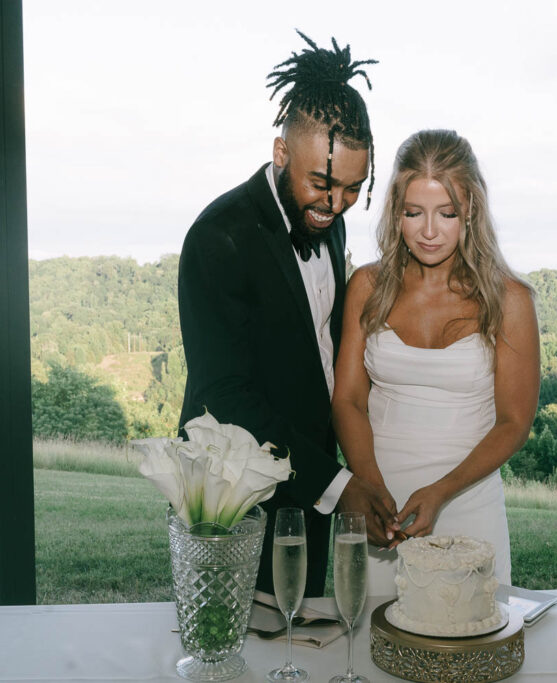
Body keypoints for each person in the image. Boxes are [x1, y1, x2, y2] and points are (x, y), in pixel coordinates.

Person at [177, 31, 398, 598]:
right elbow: (222, 395)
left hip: (317, 478)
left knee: (312, 642)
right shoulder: (217, 237)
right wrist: (334, 483)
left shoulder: (328, 217)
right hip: (238, 494)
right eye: (321, 183)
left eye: (352, 189)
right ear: (281, 153)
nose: (335, 204)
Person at [332, 129, 541, 594]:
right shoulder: (366, 286)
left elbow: (513, 422)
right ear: (395, 212)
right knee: (373, 651)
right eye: (414, 212)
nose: (429, 231)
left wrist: (441, 492)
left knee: (469, 650)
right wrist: (368, 487)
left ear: (471, 211)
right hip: (378, 509)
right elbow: (346, 400)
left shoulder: (510, 299)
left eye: (447, 213)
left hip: (469, 503)